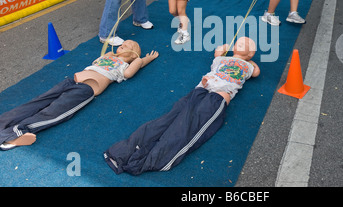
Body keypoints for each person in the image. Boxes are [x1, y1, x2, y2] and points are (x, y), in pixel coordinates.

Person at [103, 37, 260, 175]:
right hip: (202, 87)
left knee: (189, 124)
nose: (241, 42)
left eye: (246, 43)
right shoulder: (223, 59)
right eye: (239, 42)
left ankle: (153, 157)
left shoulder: (248, 65)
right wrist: (225, 47)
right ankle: (124, 152)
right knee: (172, 118)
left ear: (250, 53)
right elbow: (217, 53)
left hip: (220, 94)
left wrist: (249, 61)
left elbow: (256, 72)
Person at [0, 40, 159, 150]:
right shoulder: (109, 56)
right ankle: (4, 122)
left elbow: (131, 73)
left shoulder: (126, 66)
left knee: (54, 112)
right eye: (123, 44)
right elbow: (97, 62)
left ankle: (15, 132)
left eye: (129, 45)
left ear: (133, 55)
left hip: (85, 90)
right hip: (71, 81)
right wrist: (108, 55)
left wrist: (143, 60)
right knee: (38, 102)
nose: (124, 45)